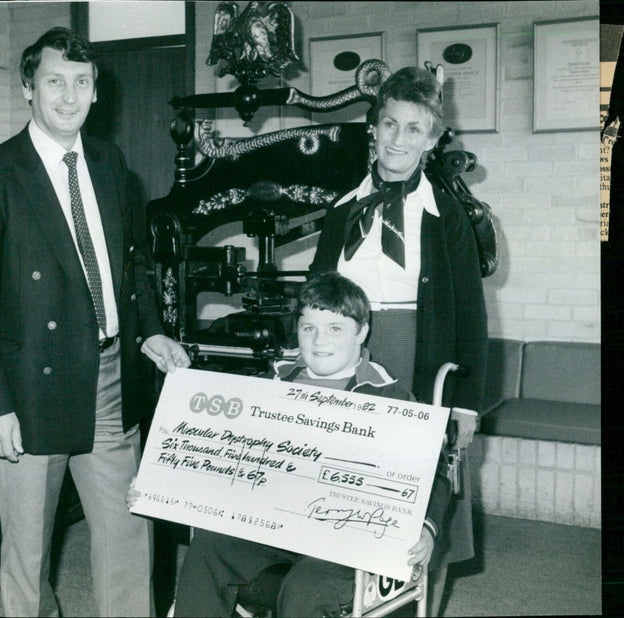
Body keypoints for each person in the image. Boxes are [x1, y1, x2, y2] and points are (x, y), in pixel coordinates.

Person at [0, 27, 190, 617]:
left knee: (127, 537)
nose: (68, 95)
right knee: (27, 549)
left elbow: (132, 264)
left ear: (96, 92)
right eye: (54, 81)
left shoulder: (111, 164)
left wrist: (150, 329)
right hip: (29, 390)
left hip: (110, 374)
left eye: (81, 82)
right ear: (29, 88)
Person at [169, 271, 453, 617]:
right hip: (277, 527)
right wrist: (163, 484)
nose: (320, 341)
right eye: (309, 328)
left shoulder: (391, 397)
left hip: (347, 541)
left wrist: (426, 527)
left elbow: (435, 476)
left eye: (335, 329)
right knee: (209, 546)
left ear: (361, 332)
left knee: (307, 586)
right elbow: (221, 453)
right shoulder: (270, 384)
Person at [309, 66, 488, 615]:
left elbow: (470, 317)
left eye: (414, 129)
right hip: (346, 358)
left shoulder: (445, 215)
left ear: (432, 140)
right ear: (374, 128)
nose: (398, 139)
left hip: (417, 358)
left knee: (407, 491)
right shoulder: (343, 210)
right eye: (389, 124)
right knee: (344, 483)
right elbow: (317, 295)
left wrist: (465, 405)